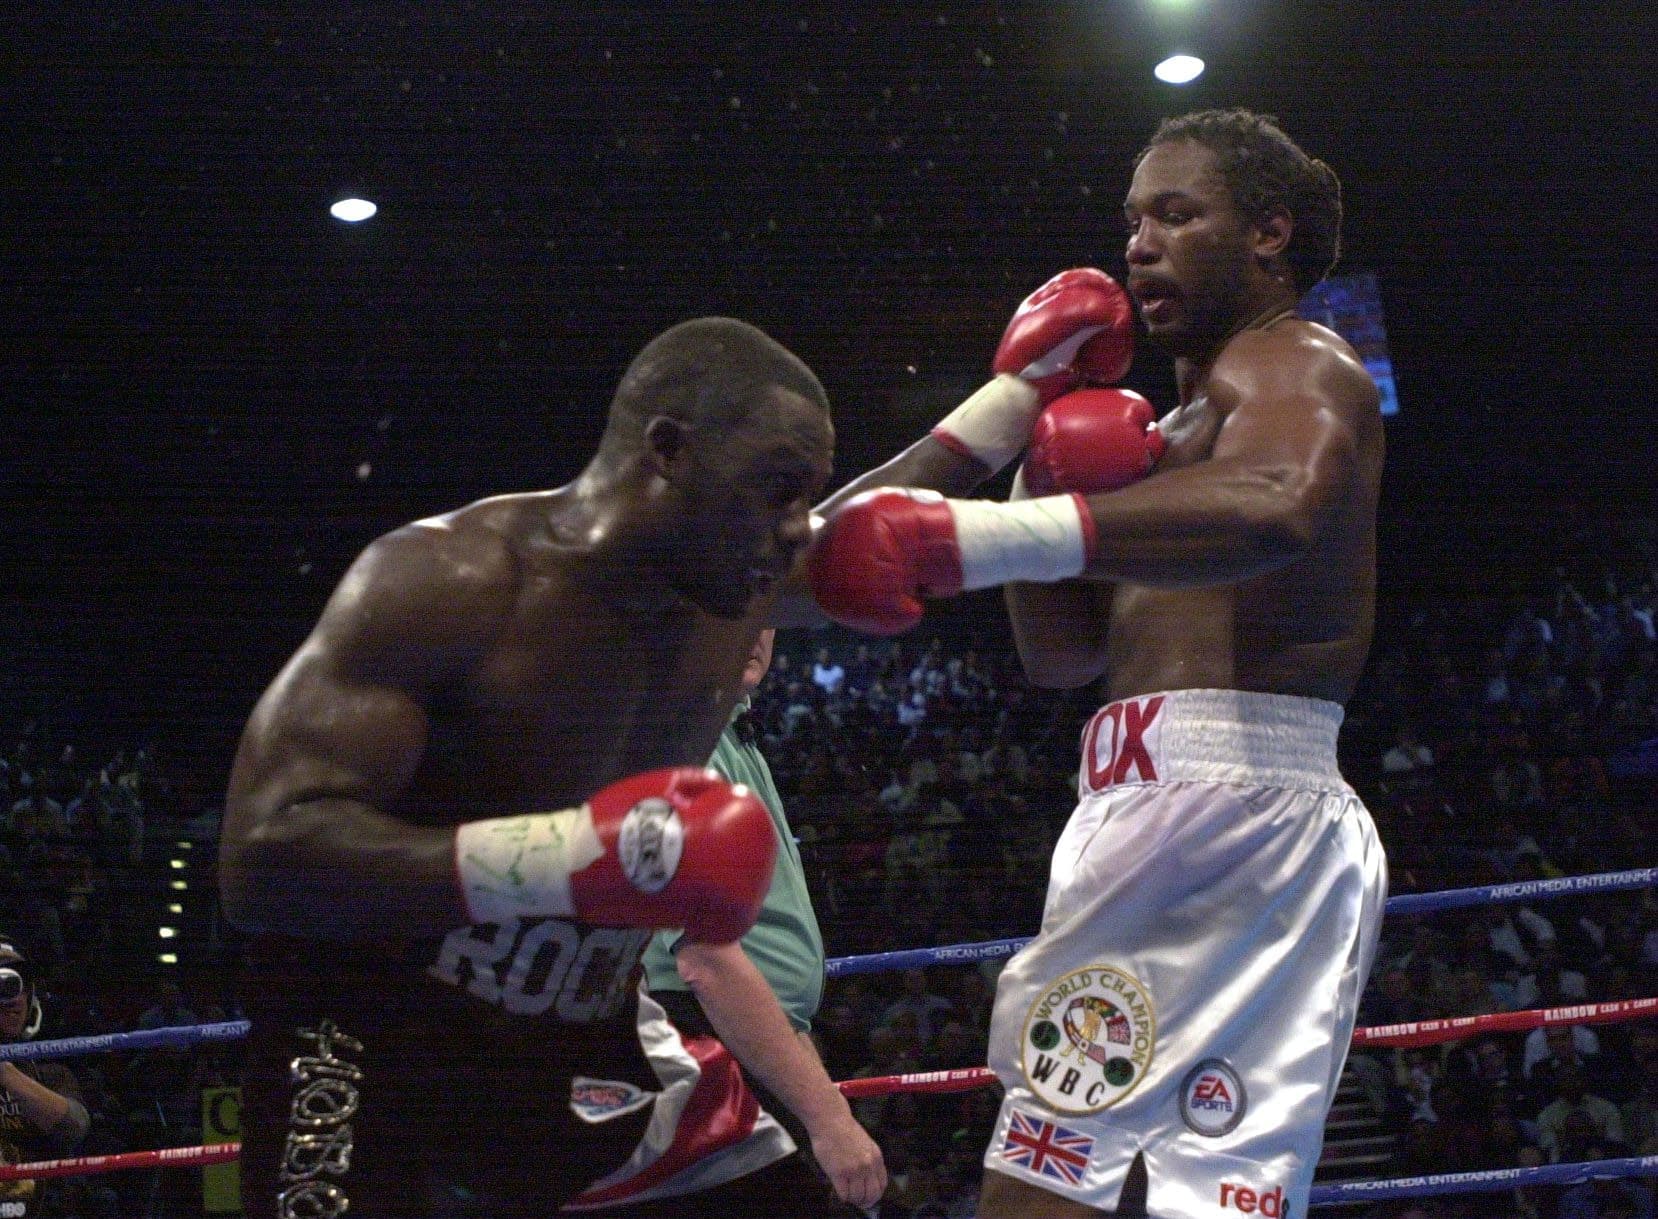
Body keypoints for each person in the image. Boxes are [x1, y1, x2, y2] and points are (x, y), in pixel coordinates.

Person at [222, 293, 1134, 1217]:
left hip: (589, 1041)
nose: (796, 528)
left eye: (805, 496)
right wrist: (569, 858)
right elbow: (264, 857)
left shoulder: (725, 579)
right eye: (777, 490)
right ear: (666, 452)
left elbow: (878, 523)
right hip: (367, 1040)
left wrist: (1018, 398)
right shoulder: (448, 586)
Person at [809, 109, 1388, 1217]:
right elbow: (1062, 655)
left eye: (1175, 214)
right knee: (1154, 1198)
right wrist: (1036, 468)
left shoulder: (1293, 361)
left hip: (1231, 815)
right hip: (1143, 803)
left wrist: (974, 537)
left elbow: (1278, 504)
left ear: (1266, 235)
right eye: (1130, 219)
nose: (1136, 244)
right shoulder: (1160, 433)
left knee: (1039, 1192)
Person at [568, 629, 882, 1215]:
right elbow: (705, 959)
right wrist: (829, 1118)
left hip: (743, 1038)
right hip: (697, 1037)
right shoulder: (683, 742)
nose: (756, 634)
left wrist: (817, 1098)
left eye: (767, 615)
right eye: (737, 614)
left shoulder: (730, 737)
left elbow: (760, 964)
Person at [0, 936, 91, 1219]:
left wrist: (4, 1071)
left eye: (17, 986)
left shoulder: (49, 1074)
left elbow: (73, 1129)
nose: (12, 999)